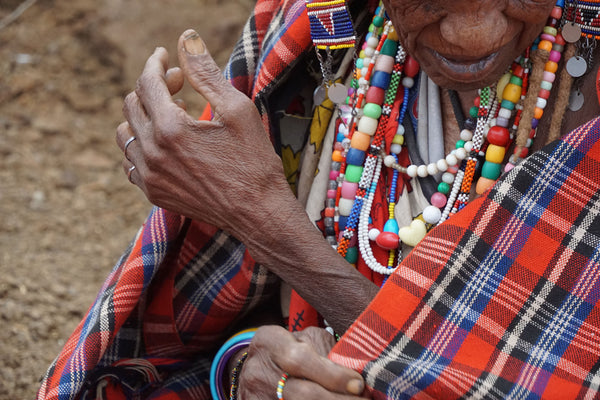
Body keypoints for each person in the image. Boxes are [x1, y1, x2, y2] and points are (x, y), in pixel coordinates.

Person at [38, 0, 600, 398]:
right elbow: (225, 324)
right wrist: (246, 372)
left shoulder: (586, 102)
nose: (473, 37)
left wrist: (259, 215)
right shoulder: (319, 40)